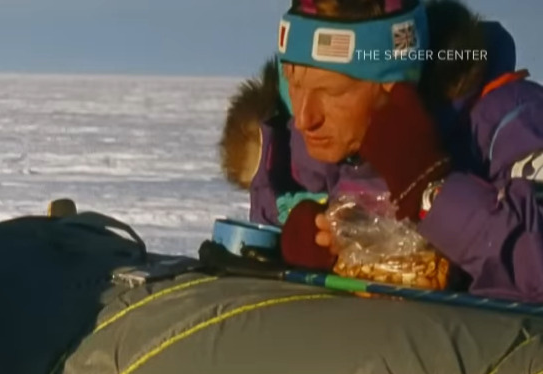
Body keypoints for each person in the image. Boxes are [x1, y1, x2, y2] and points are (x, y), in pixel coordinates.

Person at [223, 0, 543, 300]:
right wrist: (292, 250)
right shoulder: (297, 150)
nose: (306, 117)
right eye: (293, 82)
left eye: (331, 91)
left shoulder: (512, 124)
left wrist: (431, 189)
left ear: (397, 84)